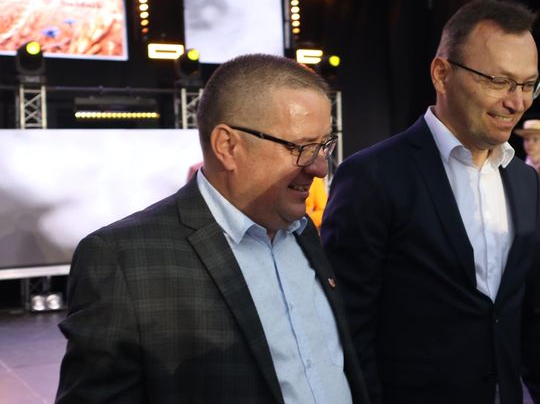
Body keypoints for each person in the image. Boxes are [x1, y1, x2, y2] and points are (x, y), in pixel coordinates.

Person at [55, 54, 369, 404]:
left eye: (324, 146)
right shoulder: (123, 260)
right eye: (303, 148)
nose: (321, 168)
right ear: (227, 146)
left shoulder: (304, 232)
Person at [321, 0, 540, 404]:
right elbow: (348, 325)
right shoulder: (372, 176)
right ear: (442, 74)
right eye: (499, 81)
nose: (518, 102)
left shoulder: (526, 182)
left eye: (528, 85)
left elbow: (528, 314)